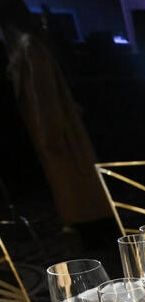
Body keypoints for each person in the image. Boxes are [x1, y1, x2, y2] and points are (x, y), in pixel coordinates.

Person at [0, 0, 110, 231]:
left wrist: (50, 132)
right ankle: (85, 224)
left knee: (75, 184)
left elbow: (43, 96)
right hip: (51, 127)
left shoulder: (30, 49)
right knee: (73, 184)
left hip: (56, 129)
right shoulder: (26, 48)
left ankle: (89, 227)